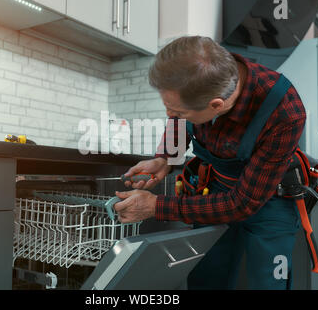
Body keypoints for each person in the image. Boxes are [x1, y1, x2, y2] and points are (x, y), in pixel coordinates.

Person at [113, 36, 306, 290]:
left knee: (268, 282)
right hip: (213, 187)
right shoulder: (200, 81)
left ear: (216, 105)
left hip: (268, 198)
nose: (170, 116)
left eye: (179, 112)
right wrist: (166, 158)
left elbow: (242, 203)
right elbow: (177, 119)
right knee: (206, 279)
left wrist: (156, 206)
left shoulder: (285, 110)